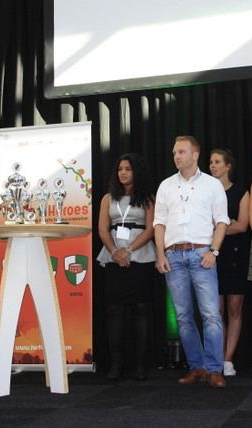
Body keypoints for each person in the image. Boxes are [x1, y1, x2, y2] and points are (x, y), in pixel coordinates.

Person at [154, 136, 230, 388]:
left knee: (211, 315)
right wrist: (161, 254)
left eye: (182, 152)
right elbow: (159, 223)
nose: (177, 156)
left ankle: (214, 369)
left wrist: (214, 251)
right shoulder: (166, 185)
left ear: (195, 155)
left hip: (201, 253)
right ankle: (197, 367)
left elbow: (222, 221)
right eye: (175, 152)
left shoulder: (212, 184)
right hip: (173, 255)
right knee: (183, 316)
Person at [96, 153, 157, 381]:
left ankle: (141, 365)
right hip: (113, 255)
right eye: (120, 169)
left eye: (128, 169)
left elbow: (151, 229)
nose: (123, 173)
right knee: (115, 309)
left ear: (136, 172)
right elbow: (103, 229)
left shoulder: (148, 198)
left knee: (141, 308)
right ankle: (116, 364)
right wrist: (115, 252)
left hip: (141, 255)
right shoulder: (107, 198)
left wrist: (128, 250)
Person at [209, 149, 250, 377]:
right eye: (211, 162)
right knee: (216, 310)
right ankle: (216, 357)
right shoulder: (206, 192)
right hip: (211, 255)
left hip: (236, 253)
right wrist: (226, 226)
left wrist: (218, 228)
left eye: (217, 162)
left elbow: (242, 225)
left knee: (235, 308)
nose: (212, 166)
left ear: (228, 166)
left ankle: (228, 359)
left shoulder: (241, 192)